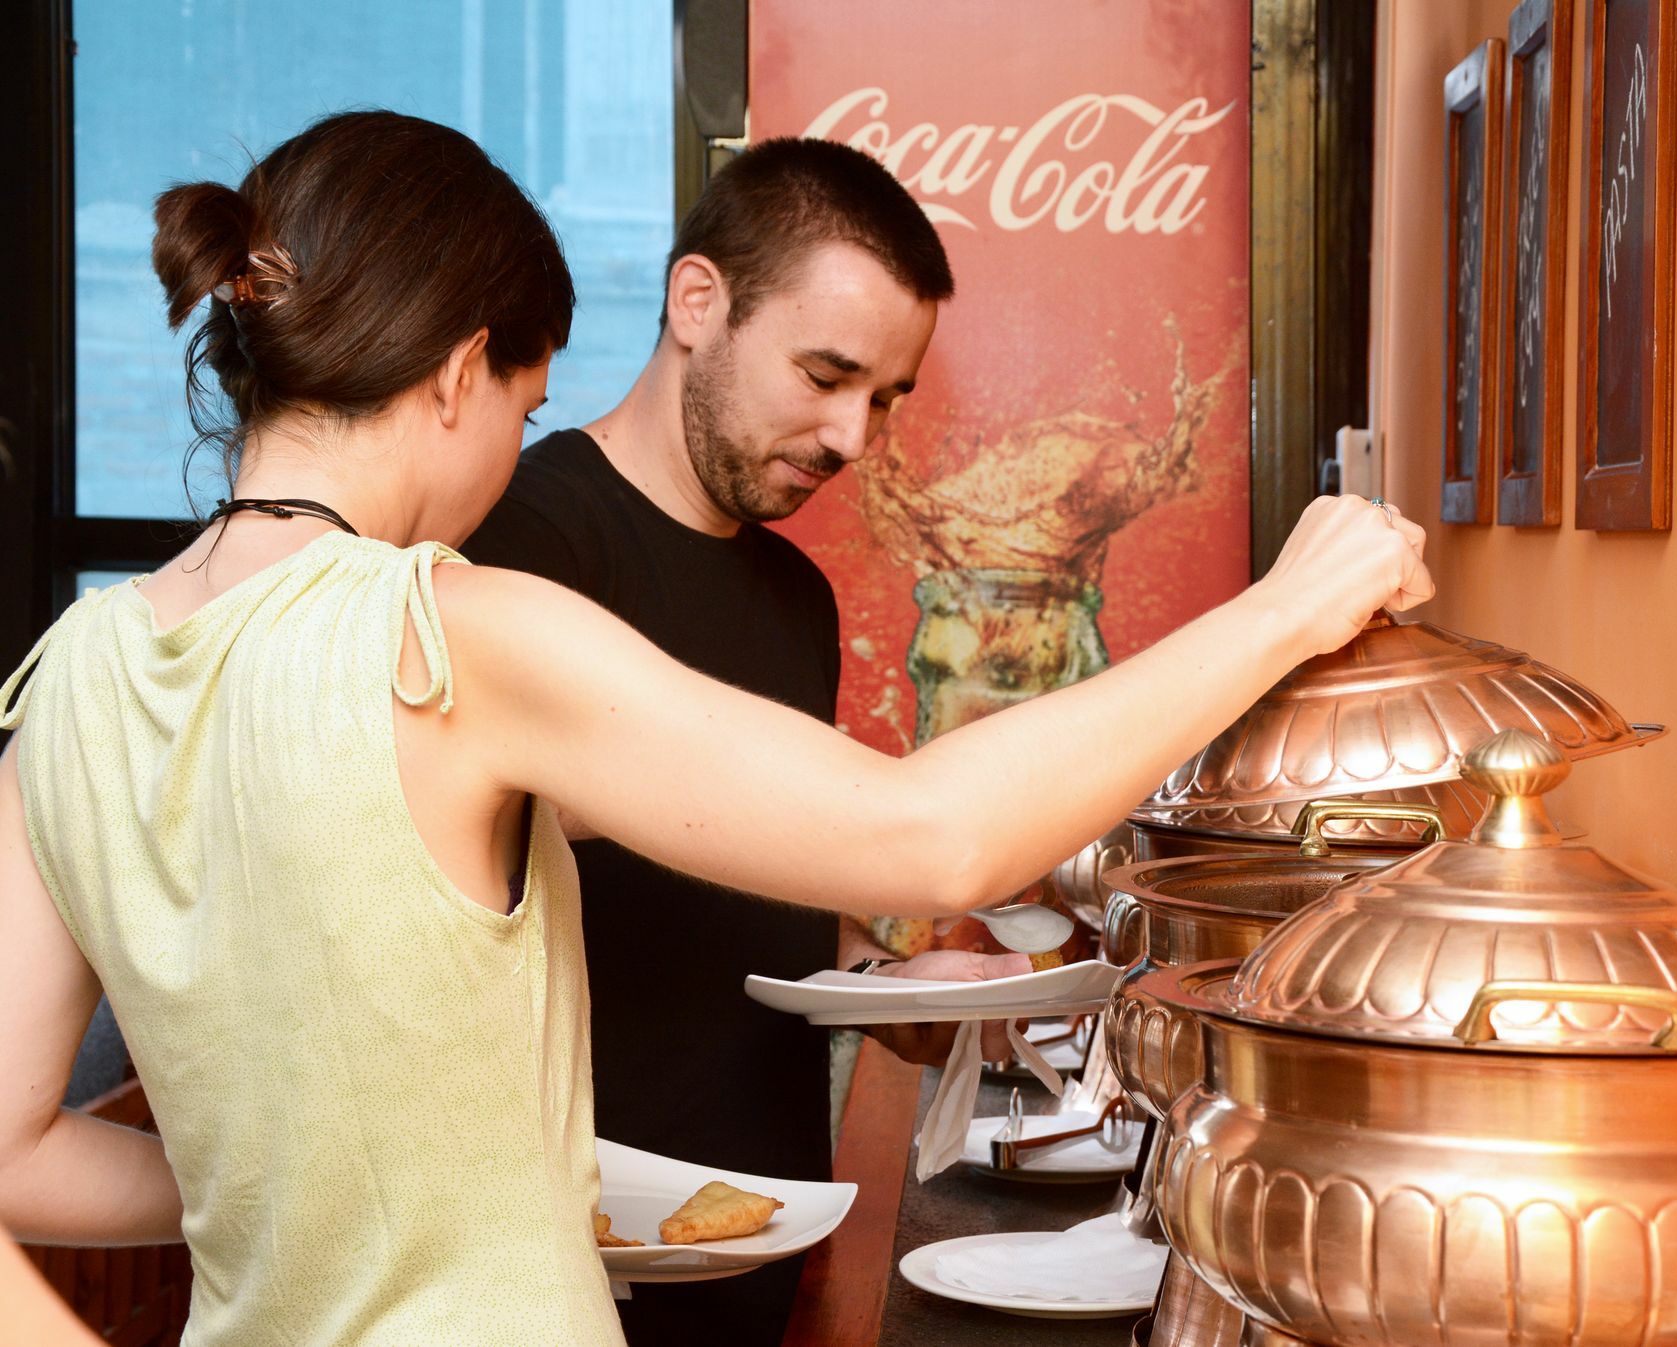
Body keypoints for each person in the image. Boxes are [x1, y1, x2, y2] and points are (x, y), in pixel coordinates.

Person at [0, 110, 1431, 1346]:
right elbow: (931, 832)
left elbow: (18, 1155)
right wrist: (1284, 613)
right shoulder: (448, 630)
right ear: (456, 373)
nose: (512, 451)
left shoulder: (63, 674)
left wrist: (265, 1191)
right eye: (524, 402)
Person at [459, 136, 1003, 1345]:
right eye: (825, 373)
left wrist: (881, 987)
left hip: (760, 1246)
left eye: (884, 399)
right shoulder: (517, 544)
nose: (852, 437)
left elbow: (778, 908)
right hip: (558, 1266)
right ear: (695, 301)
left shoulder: (795, 596)